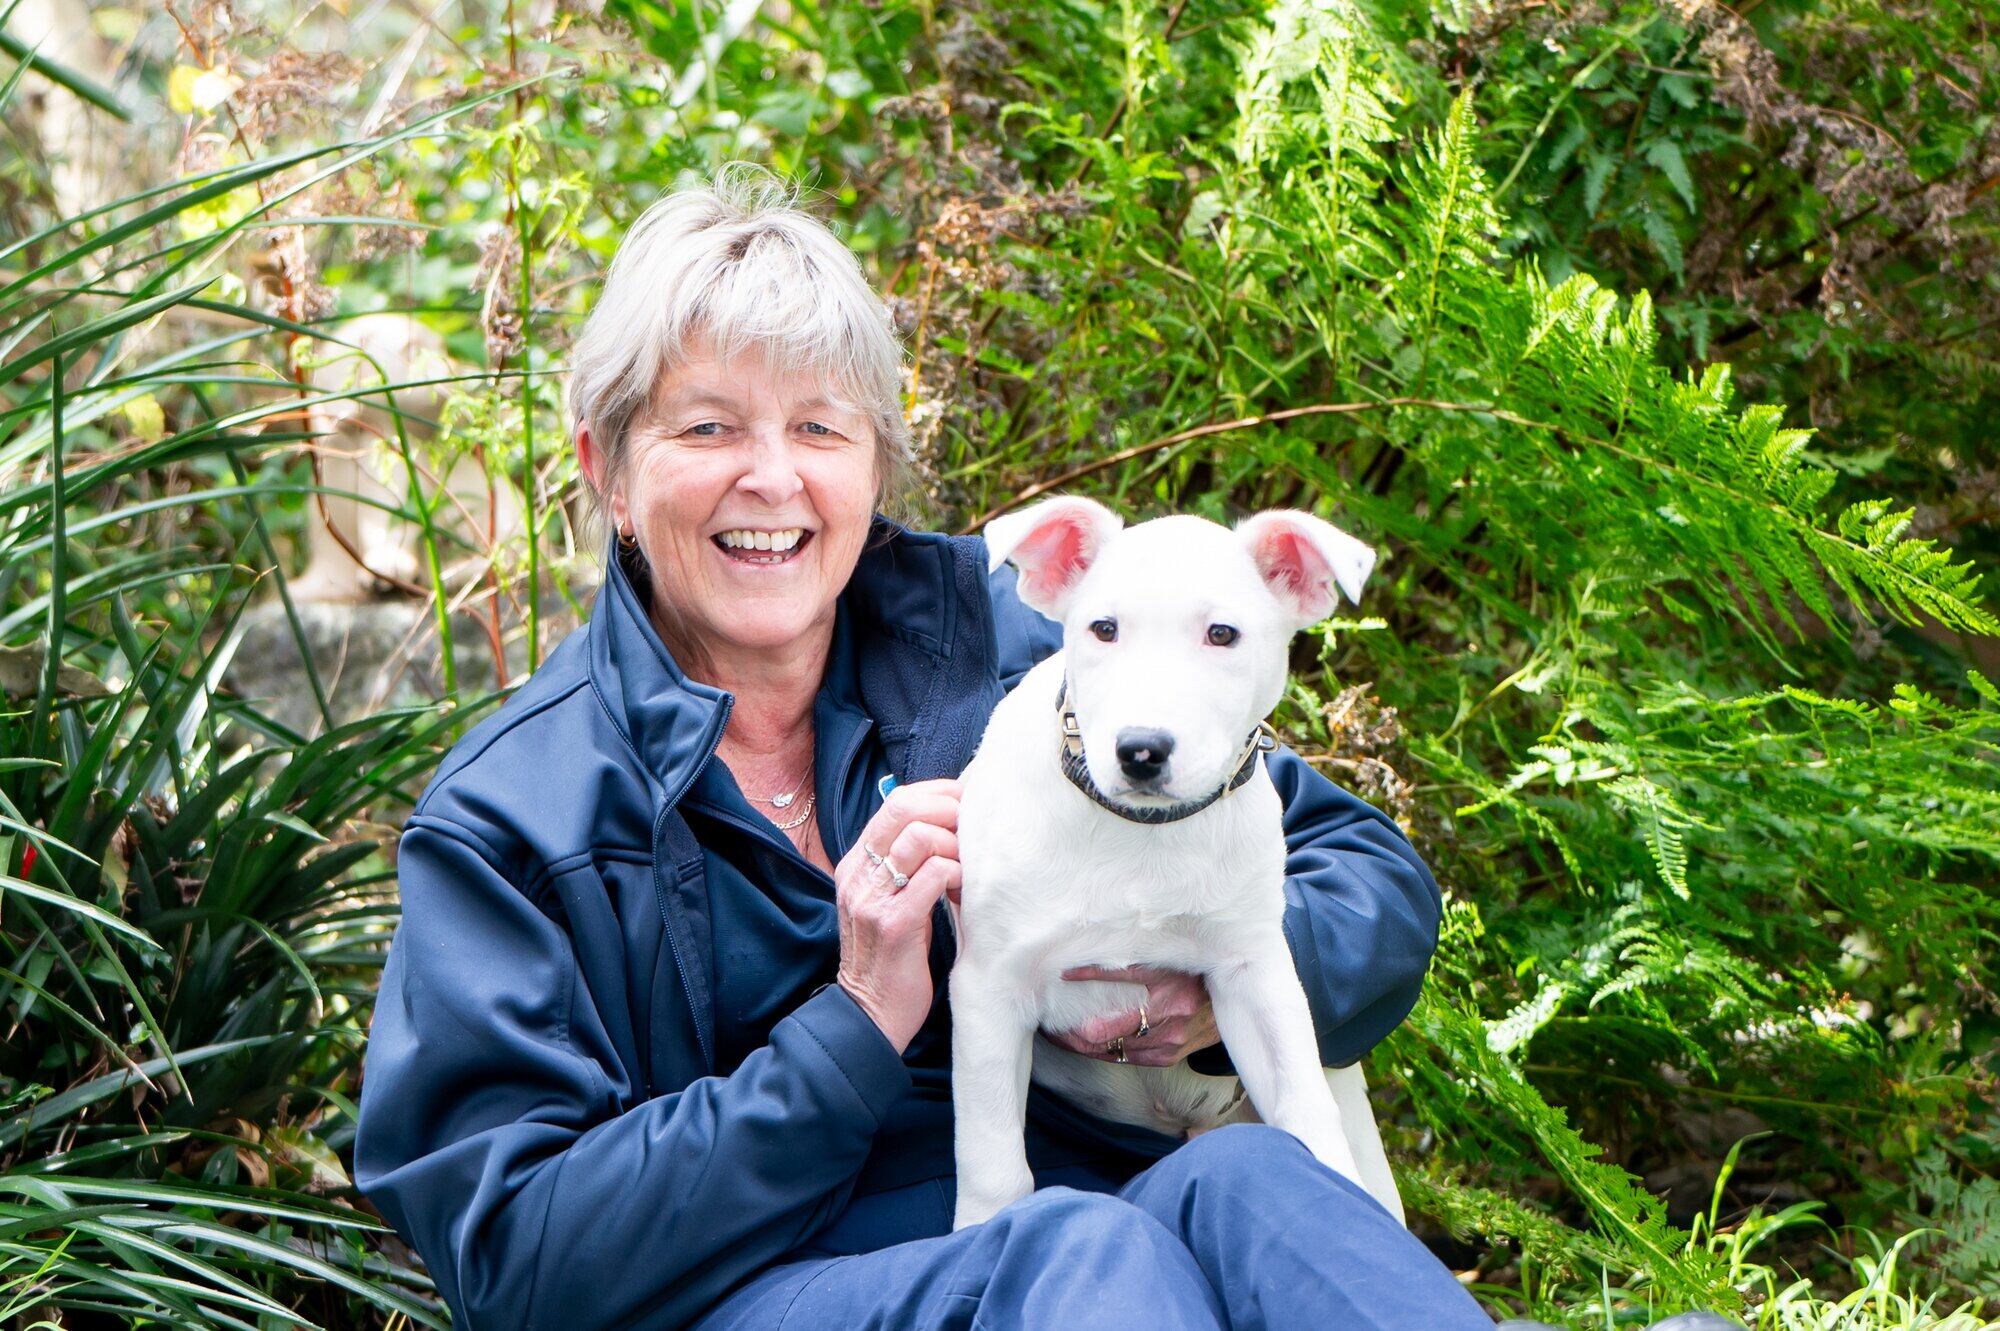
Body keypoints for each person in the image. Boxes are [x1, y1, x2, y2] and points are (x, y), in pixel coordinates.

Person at [352, 162, 1492, 1331]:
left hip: (1074, 1216)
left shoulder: (1003, 658)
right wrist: (853, 1022)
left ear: (874, 465)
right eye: (706, 426)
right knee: (1077, 1247)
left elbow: (1366, 874)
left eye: (818, 427)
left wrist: (1202, 979)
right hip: (757, 1286)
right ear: (609, 472)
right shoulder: (513, 817)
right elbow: (513, 1254)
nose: (772, 476)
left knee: (1257, 1183)